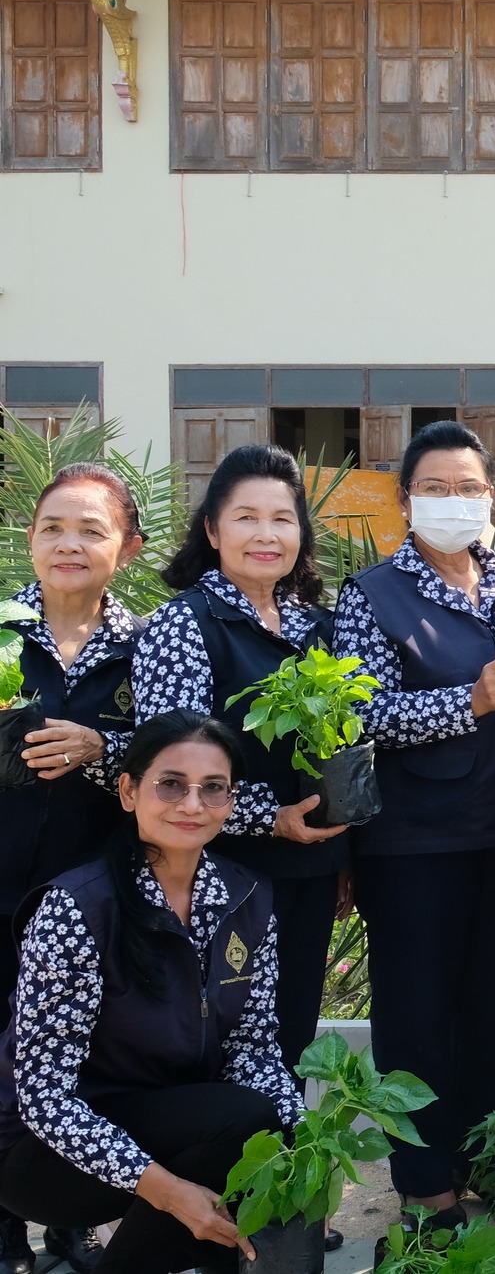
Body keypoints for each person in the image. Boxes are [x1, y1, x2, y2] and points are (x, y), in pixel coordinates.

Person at [330, 422, 495, 1236]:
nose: (455, 502)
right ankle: (424, 1187)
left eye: (470, 488)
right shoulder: (373, 594)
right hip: (414, 842)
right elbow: (361, 714)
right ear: (407, 499)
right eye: (437, 488)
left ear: (492, 496)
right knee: (417, 1018)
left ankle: (486, 1162)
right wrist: (471, 700)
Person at [0, 710, 300, 1274]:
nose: (192, 805)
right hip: (39, 1155)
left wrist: (306, 1150)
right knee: (238, 1127)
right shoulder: (77, 907)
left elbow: (254, 1049)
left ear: (231, 801)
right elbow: (44, 1096)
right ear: (128, 790)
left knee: (265, 1128)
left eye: (214, 788)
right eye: (171, 784)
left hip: (168, 1120)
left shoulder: (247, 897)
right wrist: (162, 1188)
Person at [131, 446, 338, 1080]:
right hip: (218, 870)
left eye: (283, 518)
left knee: (291, 1030)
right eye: (246, 517)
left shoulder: (318, 628)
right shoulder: (183, 625)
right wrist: (269, 817)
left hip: (309, 866)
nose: (266, 534)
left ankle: (282, 1170)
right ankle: (215, 1176)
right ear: (212, 530)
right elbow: (171, 770)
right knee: (222, 1035)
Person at [0, 465, 149, 1274]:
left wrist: (105, 748)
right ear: (31, 538)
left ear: (123, 548)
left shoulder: (145, 644)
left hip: (96, 892)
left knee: (86, 1052)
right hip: (1, 880)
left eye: (91, 529)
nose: (69, 543)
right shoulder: (0, 629)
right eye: (54, 526)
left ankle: (70, 1217)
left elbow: (175, 753)